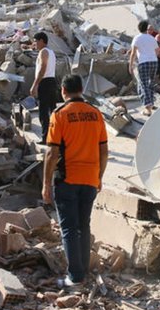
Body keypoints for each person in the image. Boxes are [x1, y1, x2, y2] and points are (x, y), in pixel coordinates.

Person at [42, 75, 108, 288]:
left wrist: (45, 183)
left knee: (69, 228)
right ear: (81, 89)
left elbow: (52, 154)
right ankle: (83, 271)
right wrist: (99, 177)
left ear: (63, 91)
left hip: (68, 179)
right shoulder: (96, 114)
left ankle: (75, 277)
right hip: (90, 179)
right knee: (83, 225)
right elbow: (104, 151)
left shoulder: (59, 115)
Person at [30, 32, 57, 145]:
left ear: (41, 41)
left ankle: (45, 137)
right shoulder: (51, 52)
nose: (34, 43)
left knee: (43, 112)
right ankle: (56, 136)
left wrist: (35, 85)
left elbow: (42, 69)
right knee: (53, 111)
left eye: (36, 41)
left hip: (45, 82)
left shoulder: (43, 52)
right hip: (52, 81)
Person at [129, 20, 160, 116]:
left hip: (144, 62)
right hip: (154, 62)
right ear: (146, 28)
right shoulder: (151, 38)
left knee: (143, 84)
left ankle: (148, 108)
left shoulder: (137, 38)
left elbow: (133, 53)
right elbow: (157, 50)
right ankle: (151, 103)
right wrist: (152, 57)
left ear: (139, 28)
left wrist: (130, 65)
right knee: (151, 83)